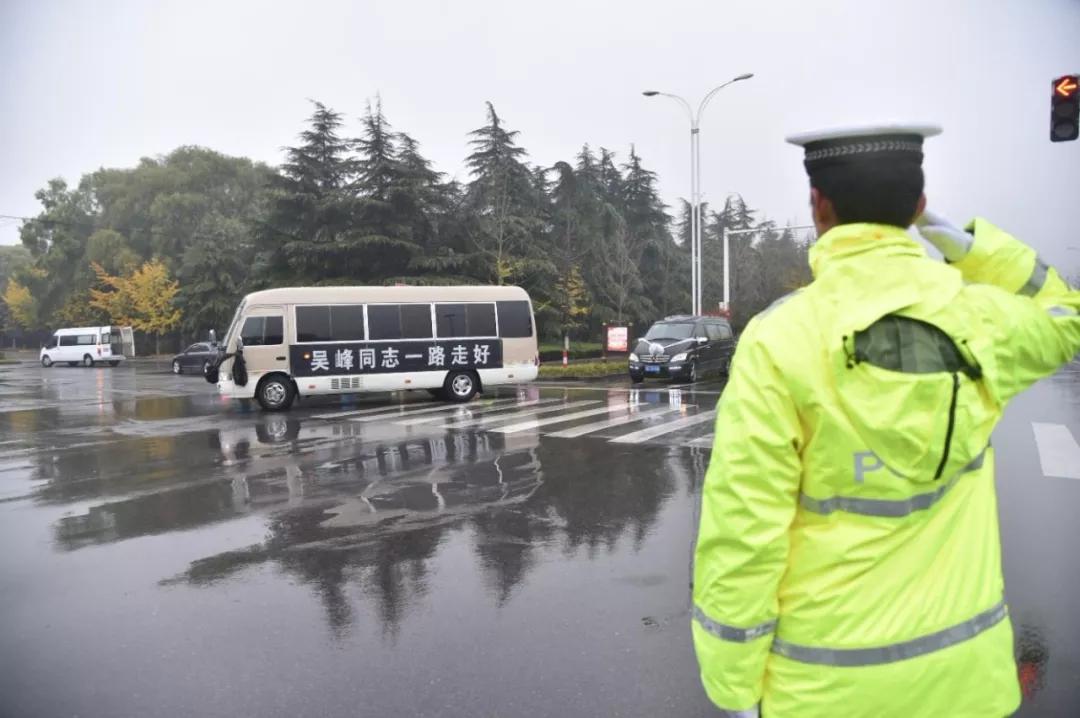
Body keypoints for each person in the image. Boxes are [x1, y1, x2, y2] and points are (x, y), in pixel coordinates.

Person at [691, 123, 1080, 717]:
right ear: (918, 207)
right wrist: (967, 246)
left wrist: (733, 687)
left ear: (818, 205)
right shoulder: (981, 320)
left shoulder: (778, 340)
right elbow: (1064, 313)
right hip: (967, 688)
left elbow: (744, 532)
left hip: (820, 694)